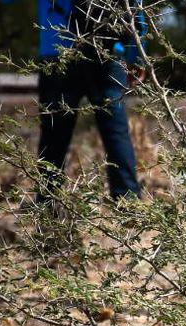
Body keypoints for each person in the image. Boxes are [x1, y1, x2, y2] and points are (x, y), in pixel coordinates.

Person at [32, 0, 149, 203]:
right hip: (107, 51)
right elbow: (135, 11)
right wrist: (136, 57)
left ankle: (47, 204)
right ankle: (127, 201)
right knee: (116, 131)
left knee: (54, 133)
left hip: (58, 50)